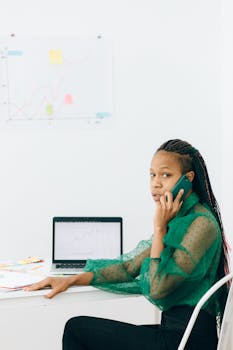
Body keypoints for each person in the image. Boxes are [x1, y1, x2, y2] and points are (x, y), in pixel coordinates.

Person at [26, 139, 230, 350]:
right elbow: (129, 267)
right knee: (93, 334)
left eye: (166, 175)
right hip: (173, 332)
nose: (156, 183)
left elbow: (158, 288)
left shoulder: (200, 224)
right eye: (152, 175)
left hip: (187, 341)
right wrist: (70, 280)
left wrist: (159, 229)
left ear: (187, 179)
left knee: (77, 329)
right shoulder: (179, 218)